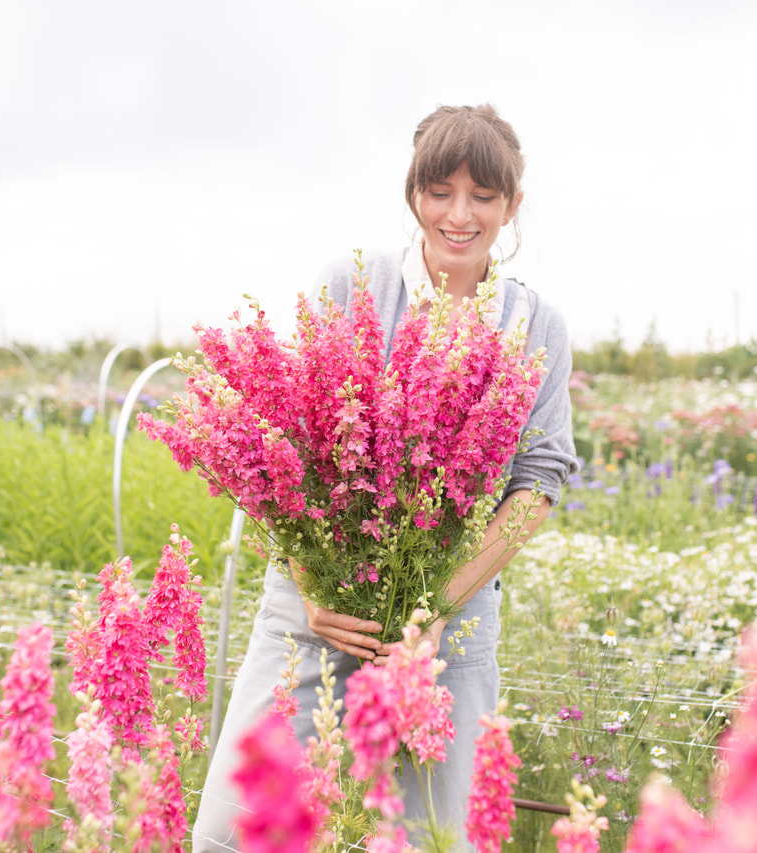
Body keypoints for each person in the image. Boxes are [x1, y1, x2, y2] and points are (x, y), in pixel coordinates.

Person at [191, 103, 578, 852]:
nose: (458, 215)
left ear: (513, 206)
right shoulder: (354, 283)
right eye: (439, 191)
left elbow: (538, 483)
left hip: (448, 626)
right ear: (413, 195)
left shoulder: (537, 326)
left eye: (483, 197)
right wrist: (311, 590)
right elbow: (285, 449)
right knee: (229, 833)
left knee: (432, 838)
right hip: (316, 608)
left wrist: (435, 604)